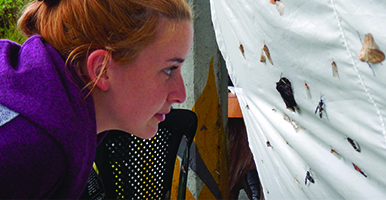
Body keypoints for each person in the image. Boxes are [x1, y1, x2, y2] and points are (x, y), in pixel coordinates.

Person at [0, 0, 193, 198]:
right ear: (102, 70)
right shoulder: (25, 149)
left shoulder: (57, 118)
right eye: (169, 69)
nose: (180, 95)